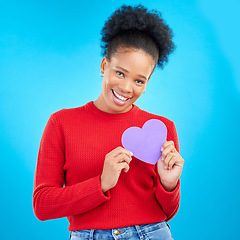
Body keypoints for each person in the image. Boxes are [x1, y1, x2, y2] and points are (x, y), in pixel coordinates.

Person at [33, 4, 184, 240]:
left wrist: (169, 184)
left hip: (152, 233)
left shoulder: (162, 128)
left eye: (139, 81)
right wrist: (101, 184)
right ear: (104, 66)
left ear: (147, 84)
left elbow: (168, 212)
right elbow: (42, 205)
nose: (126, 88)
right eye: (120, 73)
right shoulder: (61, 122)